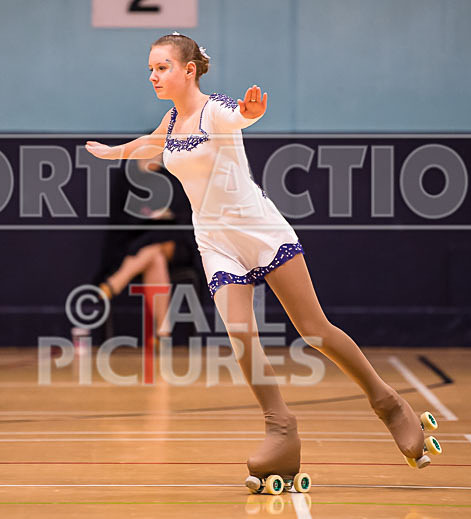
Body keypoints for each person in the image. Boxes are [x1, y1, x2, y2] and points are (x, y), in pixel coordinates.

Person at [85, 33, 434, 488]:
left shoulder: (216, 111)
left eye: (162, 67)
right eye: (150, 69)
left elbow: (242, 117)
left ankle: (389, 404)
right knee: (240, 334)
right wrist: (115, 152)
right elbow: (152, 143)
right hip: (215, 241)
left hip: (259, 229)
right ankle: (280, 430)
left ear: (189, 70)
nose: (153, 75)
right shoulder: (171, 121)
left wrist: (253, 112)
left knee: (314, 330)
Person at [94, 152, 198, 343]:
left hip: (174, 246)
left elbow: (186, 218)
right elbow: (120, 220)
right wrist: (144, 215)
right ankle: (162, 332)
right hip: (139, 244)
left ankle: (114, 283)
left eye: (158, 155)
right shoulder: (128, 182)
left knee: (156, 242)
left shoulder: (173, 180)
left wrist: (167, 214)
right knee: (154, 255)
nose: (153, 159)